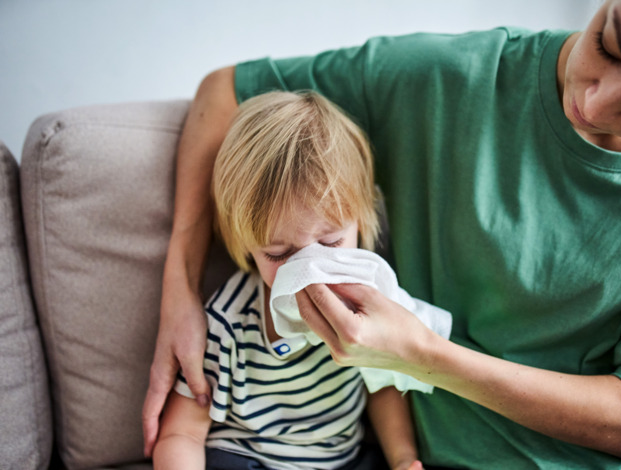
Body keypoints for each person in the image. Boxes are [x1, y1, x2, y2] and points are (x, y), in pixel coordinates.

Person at [143, 0, 621, 467]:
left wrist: (418, 356)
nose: (595, 103)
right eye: (608, 44)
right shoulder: (449, 77)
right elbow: (225, 90)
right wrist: (178, 290)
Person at [152, 90, 423, 470]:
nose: (308, 269)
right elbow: (182, 434)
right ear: (246, 244)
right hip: (249, 458)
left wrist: (403, 458)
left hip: (342, 459)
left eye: (330, 243)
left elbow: (382, 388)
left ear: (360, 223)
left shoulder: (368, 301)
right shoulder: (227, 324)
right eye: (279, 254)